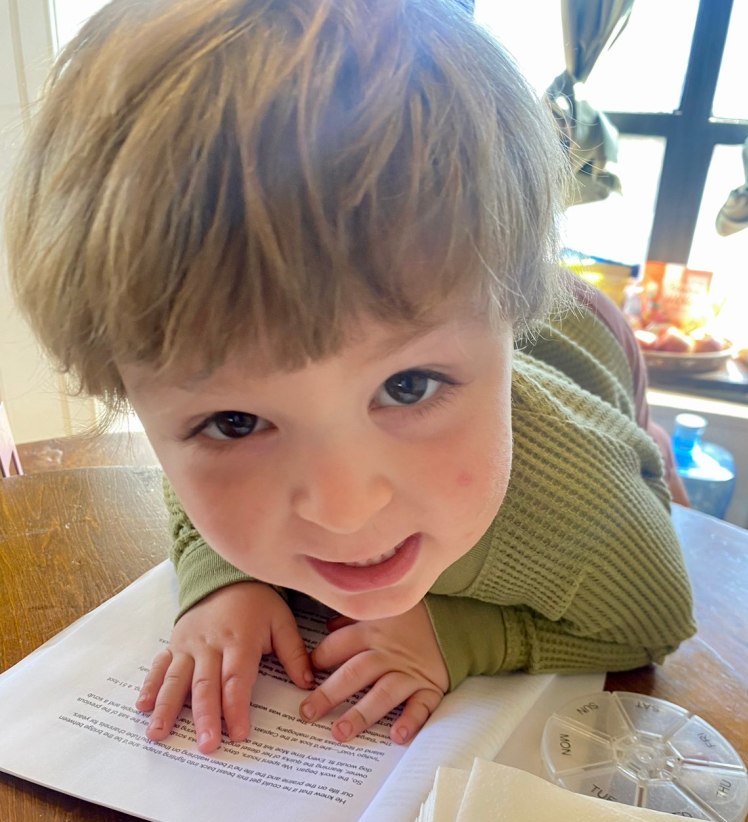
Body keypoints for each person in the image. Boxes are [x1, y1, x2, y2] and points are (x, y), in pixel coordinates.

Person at [5, 0, 695, 755]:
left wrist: (462, 636)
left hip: (585, 340)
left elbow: (656, 615)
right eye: (237, 422)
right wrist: (219, 576)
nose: (343, 510)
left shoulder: (570, 495)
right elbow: (186, 480)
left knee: (646, 462)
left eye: (408, 386)